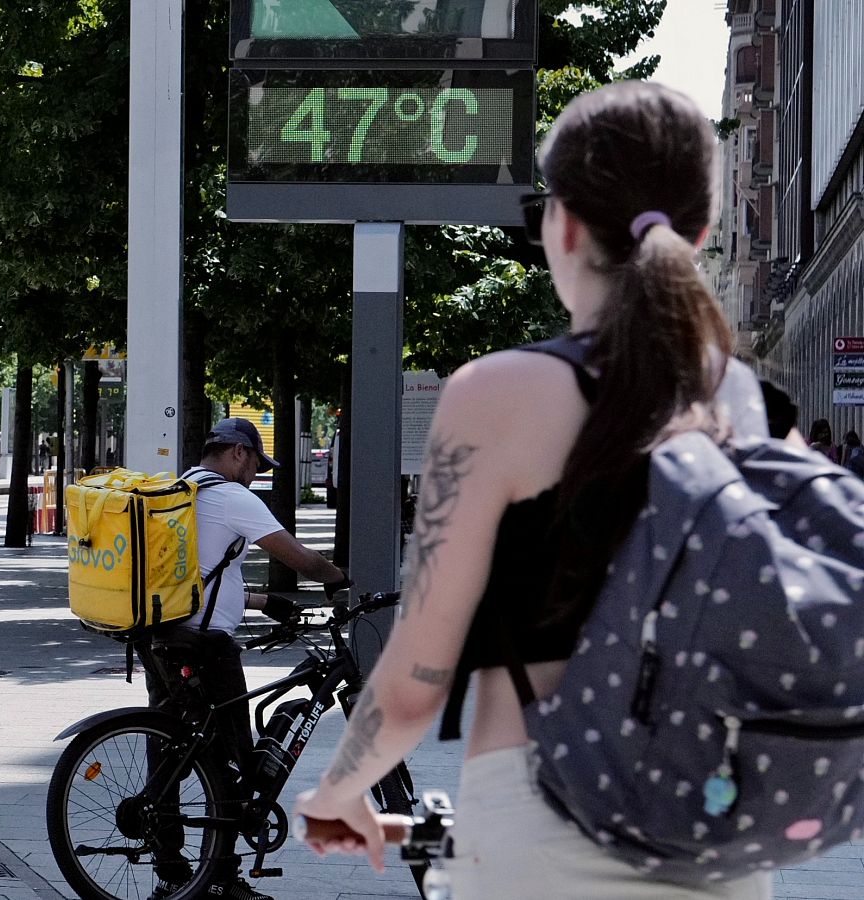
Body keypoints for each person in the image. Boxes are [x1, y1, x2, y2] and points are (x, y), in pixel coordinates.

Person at [291, 82, 776, 900]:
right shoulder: (741, 401)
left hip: (540, 824)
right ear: (699, 232)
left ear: (564, 224)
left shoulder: (498, 393)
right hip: (712, 834)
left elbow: (416, 680)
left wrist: (338, 793)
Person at [139, 417, 350, 900]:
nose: (257, 473)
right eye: (257, 462)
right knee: (232, 758)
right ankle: (219, 880)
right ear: (238, 453)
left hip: (163, 639)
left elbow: (195, 574)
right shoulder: (234, 497)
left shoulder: (181, 489)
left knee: (169, 750)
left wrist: (260, 601)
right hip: (207, 648)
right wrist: (335, 575)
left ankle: (172, 872)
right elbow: (293, 555)